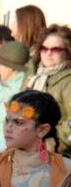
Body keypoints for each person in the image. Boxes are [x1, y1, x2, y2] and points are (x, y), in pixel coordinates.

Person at [25, 24, 71, 152]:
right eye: (44, 48)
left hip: (56, 157)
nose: (48, 53)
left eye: (55, 49)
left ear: (68, 52)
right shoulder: (33, 76)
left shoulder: (68, 81)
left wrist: (49, 144)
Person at [11, 4, 47, 73]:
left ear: (25, 24)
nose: (11, 24)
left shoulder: (41, 55)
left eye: (15, 21)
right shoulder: (22, 51)